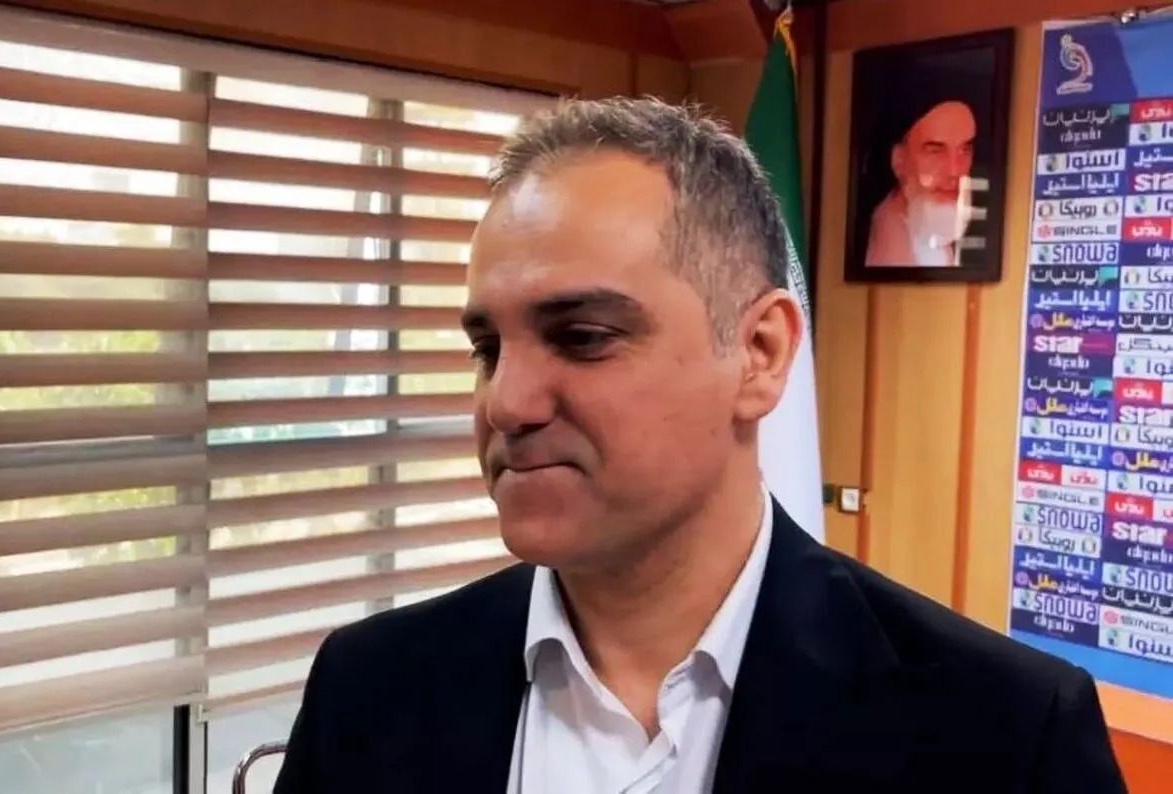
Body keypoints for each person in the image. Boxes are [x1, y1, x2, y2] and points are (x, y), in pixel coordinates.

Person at [273, 97, 1125, 793]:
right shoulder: (369, 688)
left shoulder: (1004, 737)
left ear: (759, 354)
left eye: (582, 337)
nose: (506, 402)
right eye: (487, 348)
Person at [865, 96, 978, 268]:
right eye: (936, 152)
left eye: (965, 150)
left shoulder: (930, 229)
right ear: (899, 160)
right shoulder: (889, 245)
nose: (955, 171)